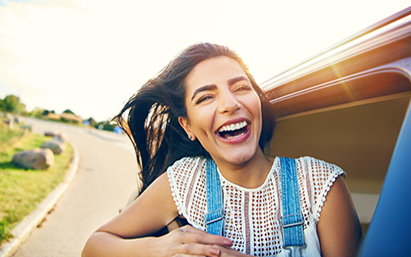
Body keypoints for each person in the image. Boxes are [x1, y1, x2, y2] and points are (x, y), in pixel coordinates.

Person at [82, 43, 362, 257]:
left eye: (240, 87)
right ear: (188, 126)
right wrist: (161, 248)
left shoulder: (320, 184)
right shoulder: (185, 181)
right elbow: (94, 245)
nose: (229, 104)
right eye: (206, 97)